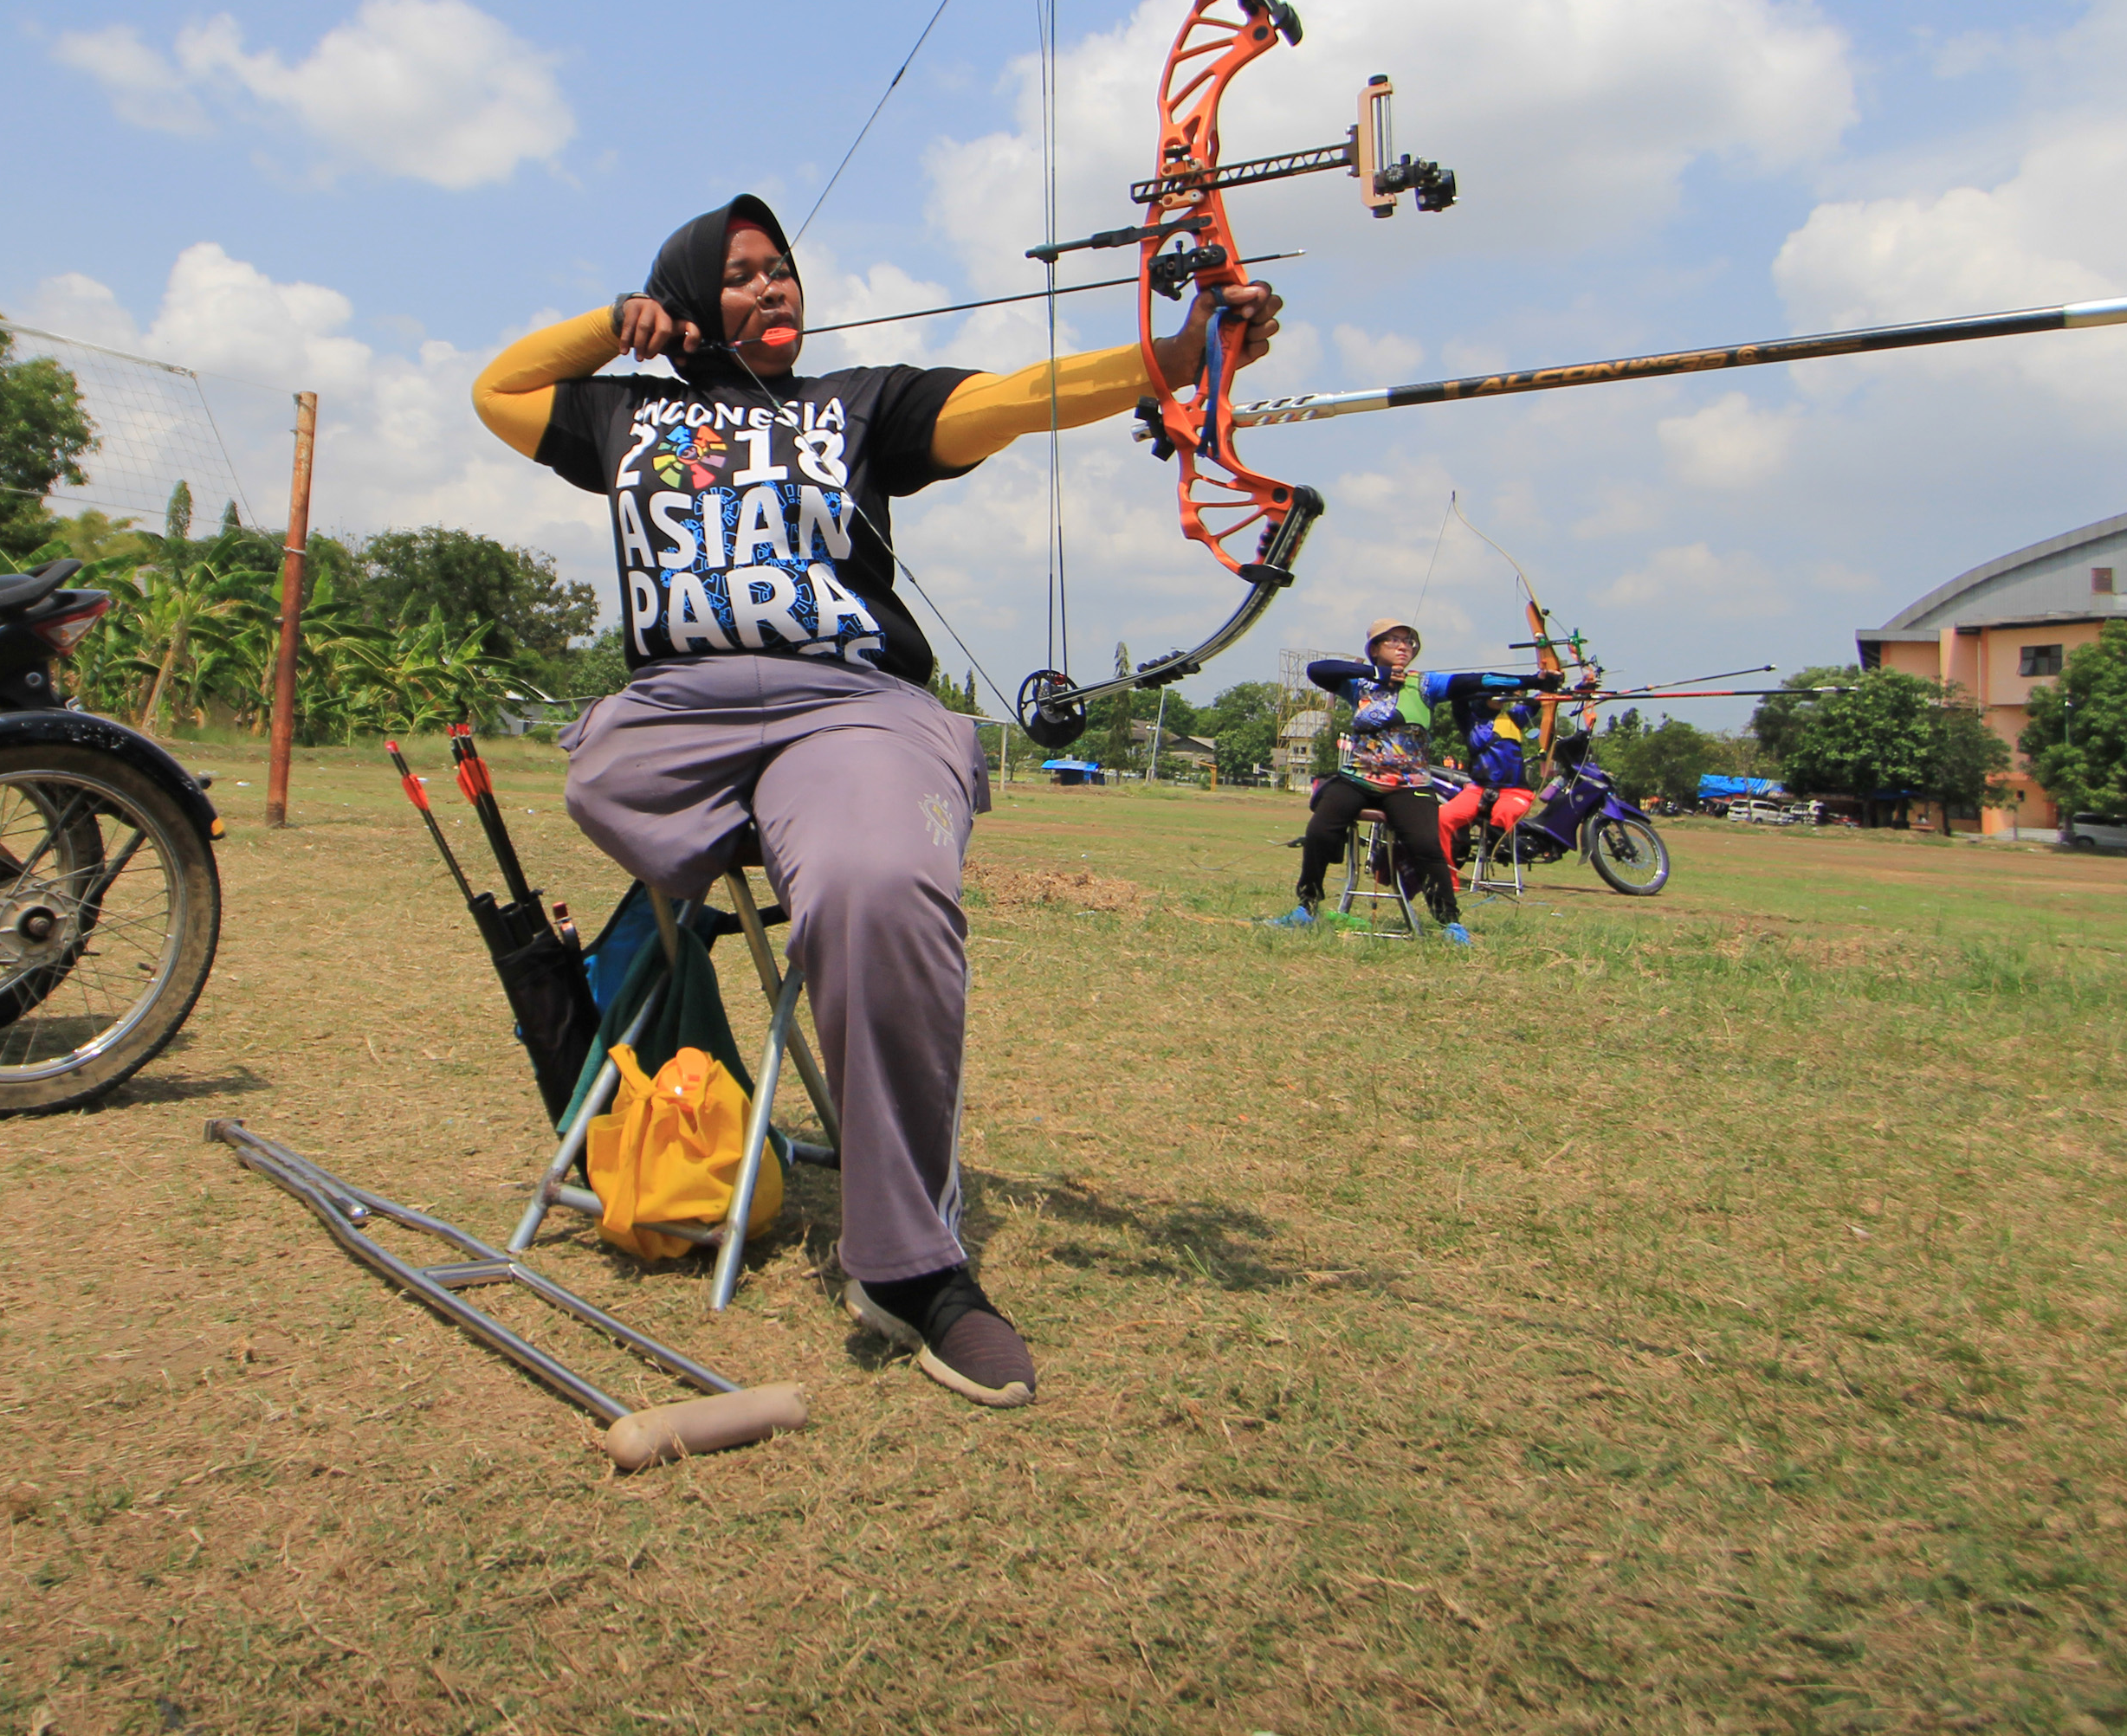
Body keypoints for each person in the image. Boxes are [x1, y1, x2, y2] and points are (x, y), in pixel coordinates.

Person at [471, 193, 1282, 1408]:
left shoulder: (860, 407)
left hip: (838, 704)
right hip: (674, 715)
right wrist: (613, 324)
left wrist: (1176, 356)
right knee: (600, 766)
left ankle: (909, 1264)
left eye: (783, 268)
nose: (774, 286)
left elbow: (1018, 394)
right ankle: (766, 870)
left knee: (875, 883)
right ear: (687, 298)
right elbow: (498, 389)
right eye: (741, 273)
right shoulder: (623, 417)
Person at [1275, 622, 1534, 939]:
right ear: (1375, 649)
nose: (1403, 647)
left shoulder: (1426, 684)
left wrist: (1534, 679)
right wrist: (1376, 675)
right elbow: (1318, 670)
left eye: (1408, 642)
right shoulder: (1358, 685)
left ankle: (1449, 922)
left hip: (1409, 785)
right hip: (1358, 778)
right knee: (1320, 830)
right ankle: (1307, 906)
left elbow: (1476, 681)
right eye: (1393, 641)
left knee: (1427, 845)